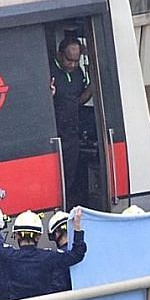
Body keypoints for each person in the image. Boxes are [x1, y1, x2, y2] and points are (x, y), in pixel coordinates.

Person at [50, 37, 95, 209]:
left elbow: (79, 100)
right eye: (69, 60)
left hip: (72, 133)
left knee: (71, 173)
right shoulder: (50, 70)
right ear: (60, 55)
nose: (73, 65)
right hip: (54, 133)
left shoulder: (78, 73)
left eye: (76, 61)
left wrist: (93, 85)